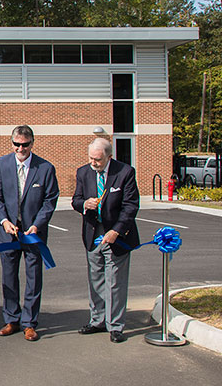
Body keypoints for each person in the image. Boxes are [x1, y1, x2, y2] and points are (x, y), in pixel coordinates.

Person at [0, 125, 59, 342]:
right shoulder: (2, 164)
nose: (20, 148)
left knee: (33, 277)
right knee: (9, 277)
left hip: (33, 233)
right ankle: (12, 319)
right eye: (16, 144)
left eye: (25, 144)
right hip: (9, 233)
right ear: (11, 143)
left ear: (32, 143)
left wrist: (37, 224)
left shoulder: (45, 168)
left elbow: (50, 200)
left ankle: (30, 323)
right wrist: (4, 221)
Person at [71, 138, 140, 343]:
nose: (94, 163)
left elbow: (130, 207)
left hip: (116, 234)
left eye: (98, 160)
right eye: (91, 158)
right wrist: (85, 204)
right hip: (93, 233)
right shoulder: (83, 172)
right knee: (96, 278)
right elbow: (75, 200)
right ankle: (97, 320)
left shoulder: (125, 172)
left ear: (109, 157)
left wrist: (116, 231)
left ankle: (115, 325)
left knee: (115, 280)